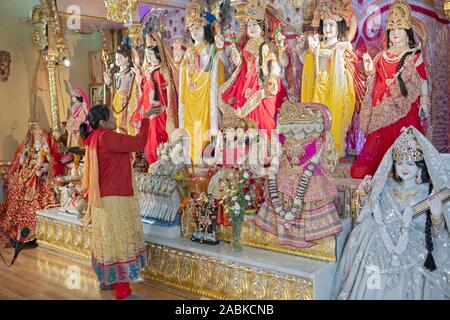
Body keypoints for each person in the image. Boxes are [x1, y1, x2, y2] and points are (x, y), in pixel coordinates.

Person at [333, 127, 449, 299]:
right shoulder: (386, 186)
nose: (404, 168)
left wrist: (437, 215)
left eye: (410, 163)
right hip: (378, 245)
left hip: (412, 251)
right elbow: (369, 214)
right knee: (366, 231)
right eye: (400, 162)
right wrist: (365, 194)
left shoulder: (429, 192)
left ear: (420, 167)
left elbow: (437, 237)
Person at [80, 104, 164, 300]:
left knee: (107, 241)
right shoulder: (106, 137)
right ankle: (123, 293)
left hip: (104, 199)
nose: (115, 118)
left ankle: (106, 281)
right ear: (102, 122)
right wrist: (146, 118)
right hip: (113, 199)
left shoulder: (94, 138)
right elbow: (139, 143)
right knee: (118, 244)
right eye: (111, 116)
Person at [351, 0, 429, 178]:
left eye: (399, 29)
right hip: (380, 112)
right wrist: (370, 69)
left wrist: (424, 102)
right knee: (378, 156)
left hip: (405, 110)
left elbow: (422, 80)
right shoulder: (380, 56)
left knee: (405, 145)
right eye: (391, 29)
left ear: (407, 31)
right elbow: (373, 82)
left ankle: (405, 175)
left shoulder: (413, 55)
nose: (394, 33)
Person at [218, 1, 287, 137]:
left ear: (263, 27)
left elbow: (274, 62)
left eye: (255, 25)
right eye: (249, 25)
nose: (251, 28)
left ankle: (266, 148)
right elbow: (241, 64)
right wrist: (234, 52)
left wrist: (272, 77)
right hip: (246, 83)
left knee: (262, 117)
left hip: (261, 83)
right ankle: (249, 150)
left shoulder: (267, 44)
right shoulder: (248, 43)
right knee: (246, 119)